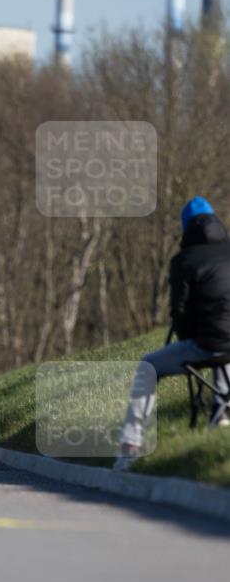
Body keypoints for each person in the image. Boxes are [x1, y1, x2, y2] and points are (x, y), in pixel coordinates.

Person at [114, 197, 230, 470]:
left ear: (186, 228)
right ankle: (222, 409)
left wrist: (188, 333)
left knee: (148, 367)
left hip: (207, 344)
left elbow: (179, 315)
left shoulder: (183, 261)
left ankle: (130, 447)